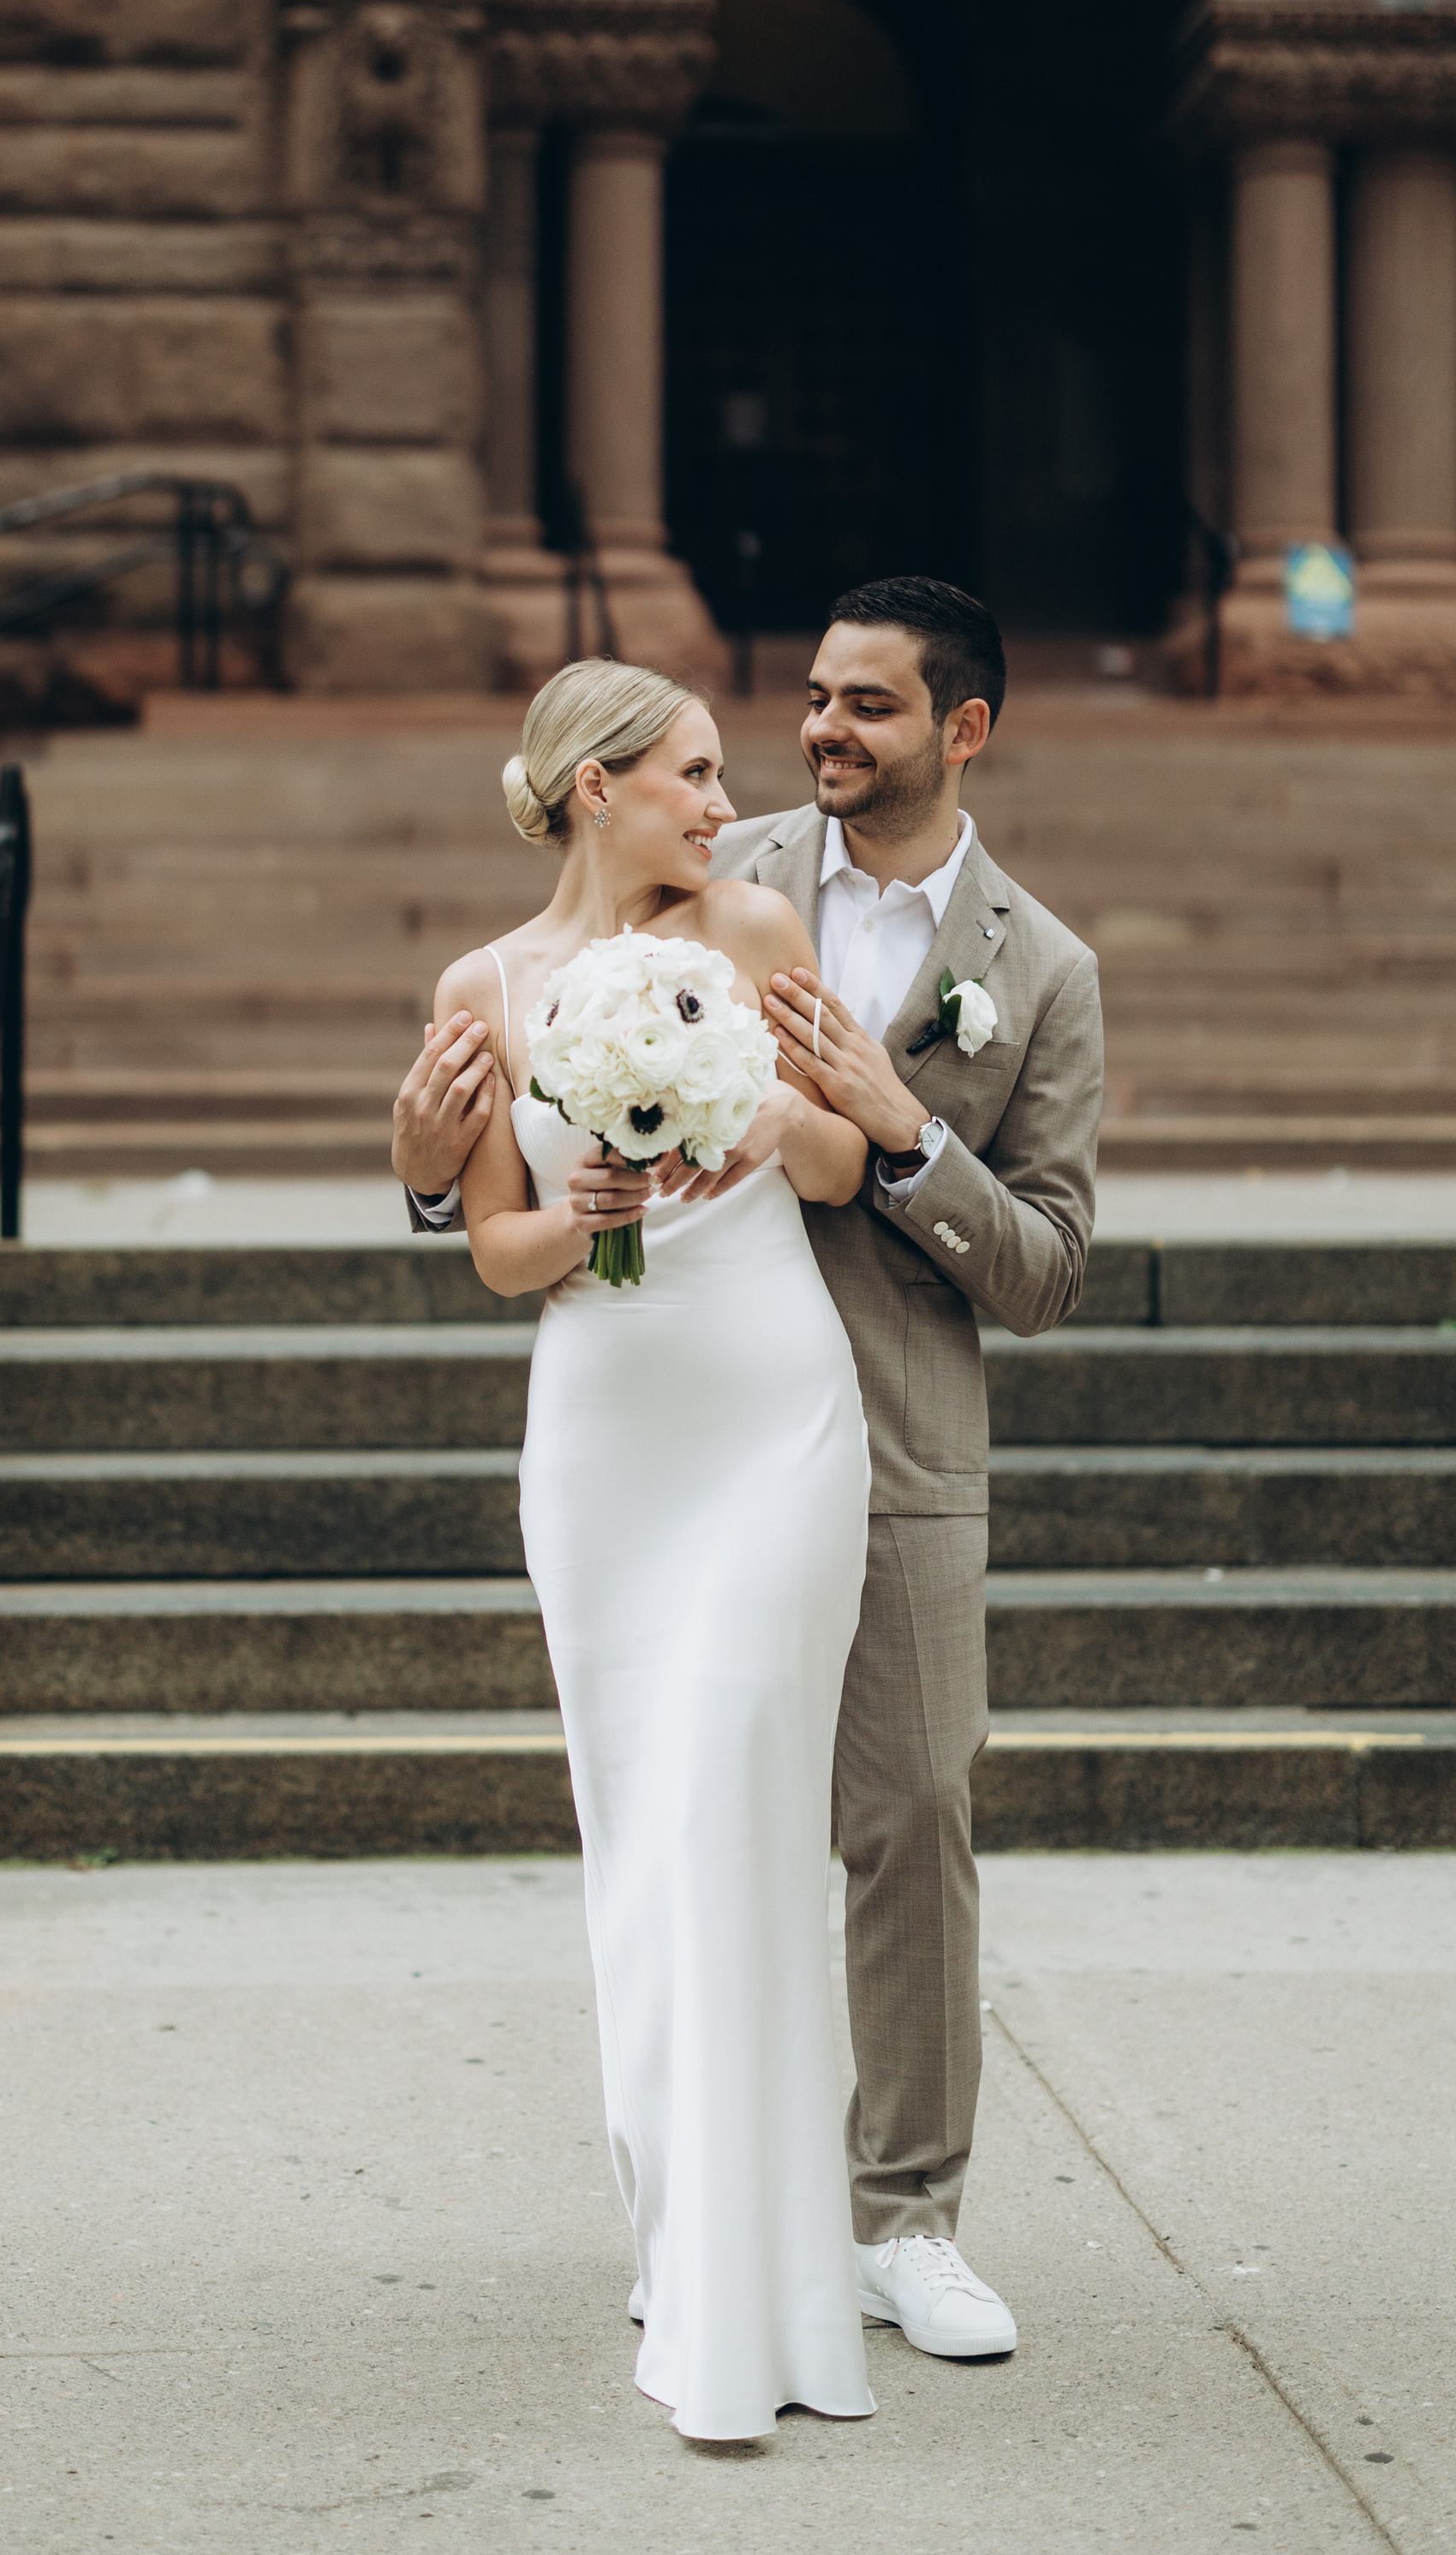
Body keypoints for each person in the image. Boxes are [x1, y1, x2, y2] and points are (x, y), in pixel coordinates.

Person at [397, 578, 1103, 2373]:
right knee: (693, 1808)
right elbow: (491, 1171)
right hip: (665, 1406)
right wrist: (439, 1178)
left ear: (962, 730)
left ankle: (906, 2221)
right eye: (806, 700)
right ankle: (723, 2205)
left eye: (862, 706)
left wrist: (893, 1128)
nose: (811, 736)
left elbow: (1042, 1267)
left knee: (910, 1818)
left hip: (882, 1430)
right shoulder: (717, 870)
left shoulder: (1038, 967)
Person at [424, 658, 878, 2443]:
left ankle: (757, 2293)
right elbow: (496, 1256)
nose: (723, 799)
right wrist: (584, 1214)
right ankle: (682, 2234)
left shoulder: (759, 927)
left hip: (773, 1414)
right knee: (638, 1838)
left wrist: (771, 1118)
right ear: (592, 787)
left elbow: (847, 1166)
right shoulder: (483, 990)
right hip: (607, 1437)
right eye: (690, 773)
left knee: (735, 1813)